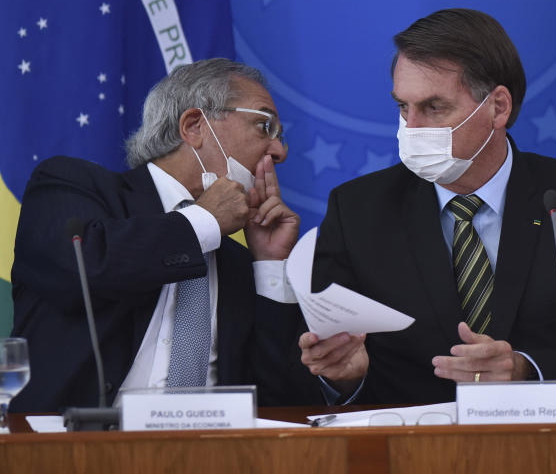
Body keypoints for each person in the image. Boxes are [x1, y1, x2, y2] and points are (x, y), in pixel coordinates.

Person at [299, 9, 556, 404]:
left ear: (498, 107)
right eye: (403, 107)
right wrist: (344, 378)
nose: (412, 127)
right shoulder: (358, 211)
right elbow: (309, 377)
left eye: (434, 108)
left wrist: (527, 370)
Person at [11, 58, 323, 412]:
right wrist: (203, 220)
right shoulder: (69, 184)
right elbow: (83, 269)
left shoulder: (237, 264)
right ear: (194, 126)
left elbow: (283, 401)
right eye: (264, 126)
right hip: (75, 451)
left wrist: (268, 266)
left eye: (280, 137)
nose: (279, 152)